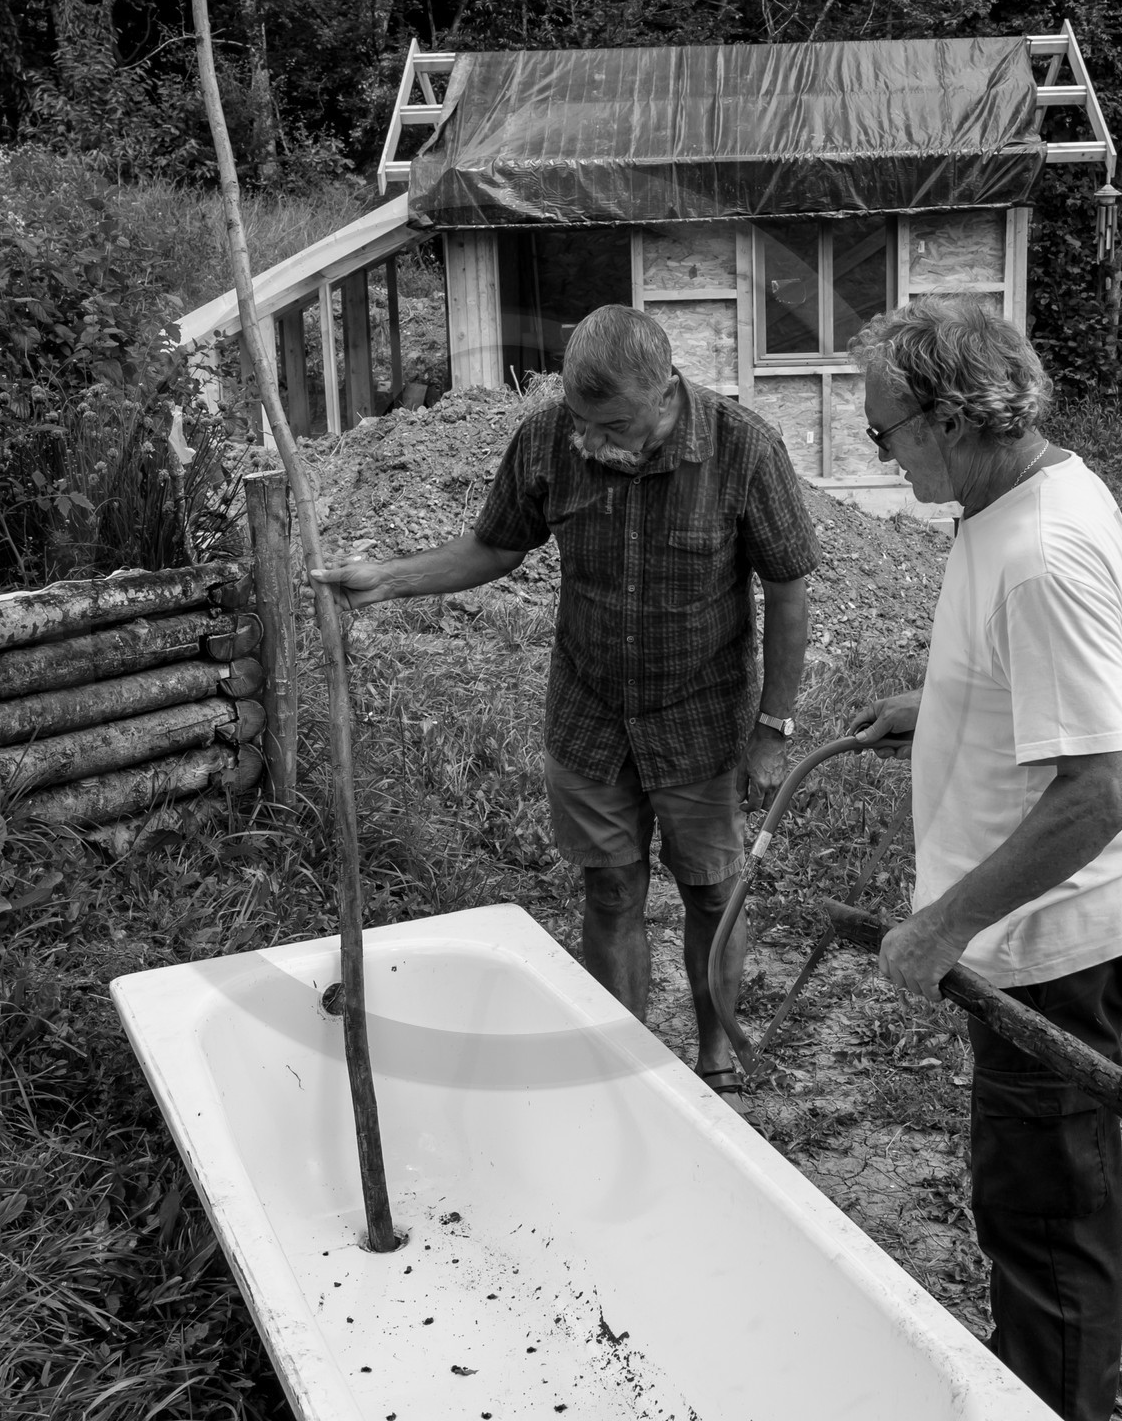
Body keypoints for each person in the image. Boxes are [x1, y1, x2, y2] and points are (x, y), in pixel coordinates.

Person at [314, 303, 819, 1102]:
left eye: (611, 423)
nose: (591, 438)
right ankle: (626, 1071)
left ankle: (717, 1057)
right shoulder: (549, 438)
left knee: (712, 890)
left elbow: (787, 593)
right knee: (611, 888)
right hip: (589, 715)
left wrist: (772, 731)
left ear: (666, 394)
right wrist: (390, 579)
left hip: (702, 719)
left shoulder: (744, 447)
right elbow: (495, 547)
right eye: (582, 418)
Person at [847, 296, 1122, 1421]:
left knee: (1046, 1224)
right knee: (1024, 1194)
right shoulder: (1013, 502)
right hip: (1031, 936)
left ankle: (1052, 1397)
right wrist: (938, 706)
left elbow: (1099, 791)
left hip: (1054, 942)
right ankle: (1033, 1372)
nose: (874, 453)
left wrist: (938, 929)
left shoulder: (1041, 550)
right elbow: (1040, 697)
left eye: (883, 431)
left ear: (950, 418)